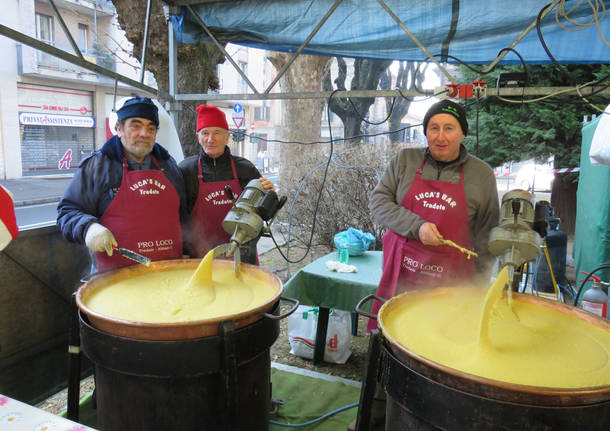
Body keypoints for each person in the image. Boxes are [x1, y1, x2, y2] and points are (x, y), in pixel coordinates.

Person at [368, 99, 499, 329]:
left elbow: (486, 236)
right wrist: (417, 227)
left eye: (449, 128)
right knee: (395, 333)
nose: (440, 137)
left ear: (463, 134)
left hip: (453, 285)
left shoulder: (482, 175)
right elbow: (379, 201)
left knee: (443, 340)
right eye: (434, 128)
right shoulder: (405, 161)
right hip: (401, 274)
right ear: (426, 132)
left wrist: (478, 289)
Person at [57, 97, 187, 271]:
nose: (144, 133)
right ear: (119, 128)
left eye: (151, 128)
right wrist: (88, 228)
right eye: (136, 126)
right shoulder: (97, 166)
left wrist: (189, 251)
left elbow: (184, 218)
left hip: (170, 270)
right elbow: (67, 212)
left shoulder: (169, 166)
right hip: (116, 276)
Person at [179, 105, 274, 263]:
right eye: (205, 133)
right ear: (198, 137)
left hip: (243, 257)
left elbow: (264, 214)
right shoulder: (186, 170)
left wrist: (270, 195)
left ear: (227, 136)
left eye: (217, 133)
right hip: (201, 258)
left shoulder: (245, 168)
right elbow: (179, 218)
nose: (211, 139)